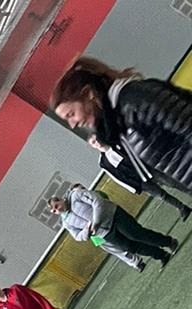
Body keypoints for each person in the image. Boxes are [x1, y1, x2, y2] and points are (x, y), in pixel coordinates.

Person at [52, 56, 192, 193]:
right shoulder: (117, 122)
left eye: (71, 114)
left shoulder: (135, 99)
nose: (73, 125)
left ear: (88, 93)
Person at [47, 186, 174, 268]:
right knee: (130, 247)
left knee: (136, 234)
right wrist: (86, 231)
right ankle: (161, 255)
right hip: (104, 233)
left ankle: (168, 242)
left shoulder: (76, 195)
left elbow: (97, 201)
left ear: (60, 199)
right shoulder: (66, 222)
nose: (57, 210)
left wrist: (95, 222)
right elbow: (77, 236)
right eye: (54, 211)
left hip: (113, 215)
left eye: (56, 206)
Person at [89, 134, 192, 222]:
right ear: (92, 146)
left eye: (96, 139)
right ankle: (182, 207)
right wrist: (132, 188)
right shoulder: (103, 162)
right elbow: (117, 178)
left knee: (172, 183)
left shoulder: (116, 142)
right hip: (138, 181)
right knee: (161, 195)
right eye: (93, 142)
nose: (97, 142)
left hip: (147, 168)